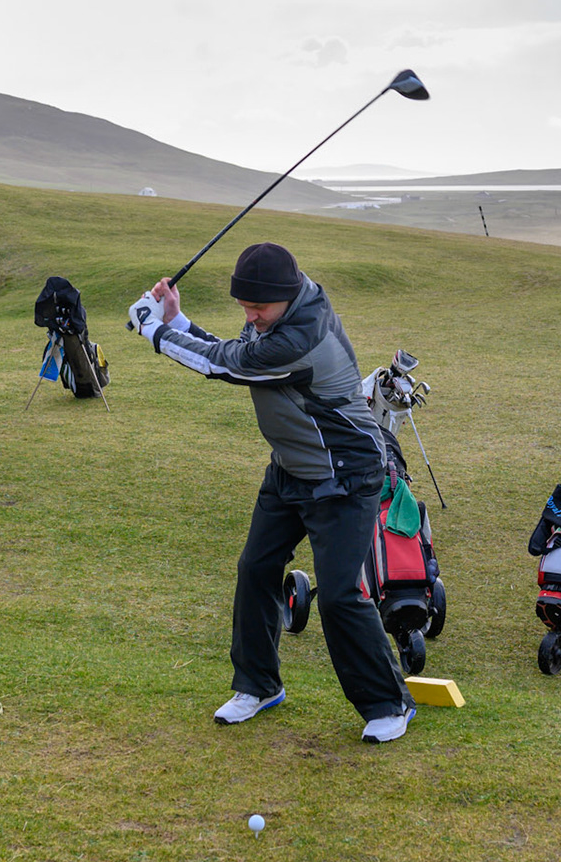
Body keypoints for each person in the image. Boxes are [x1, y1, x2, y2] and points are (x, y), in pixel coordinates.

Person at [128, 243, 417, 743]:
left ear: (285, 297)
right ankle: (258, 687)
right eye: (244, 307)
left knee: (341, 594)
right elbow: (235, 354)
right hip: (290, 469)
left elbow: (226, 367)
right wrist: (177, 321)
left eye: (257, 308)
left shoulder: (302, 337)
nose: (250, 316)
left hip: (346, 476)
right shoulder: (277, 319)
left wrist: (153, 330)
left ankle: (390, 704)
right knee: (256, 569)